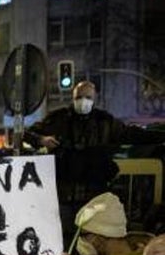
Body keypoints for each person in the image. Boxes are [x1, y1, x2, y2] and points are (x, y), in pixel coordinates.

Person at [26, 81, 155, 214]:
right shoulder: (58, 119)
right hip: (63, 194)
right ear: (73, 98)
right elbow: (28, 134)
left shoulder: (105, 122)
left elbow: (131, 134)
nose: (83, 101)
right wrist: (41, 140)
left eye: (88, 97)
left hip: (94, 197)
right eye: (79, 97)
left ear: (94, 99)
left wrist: (158, 136)